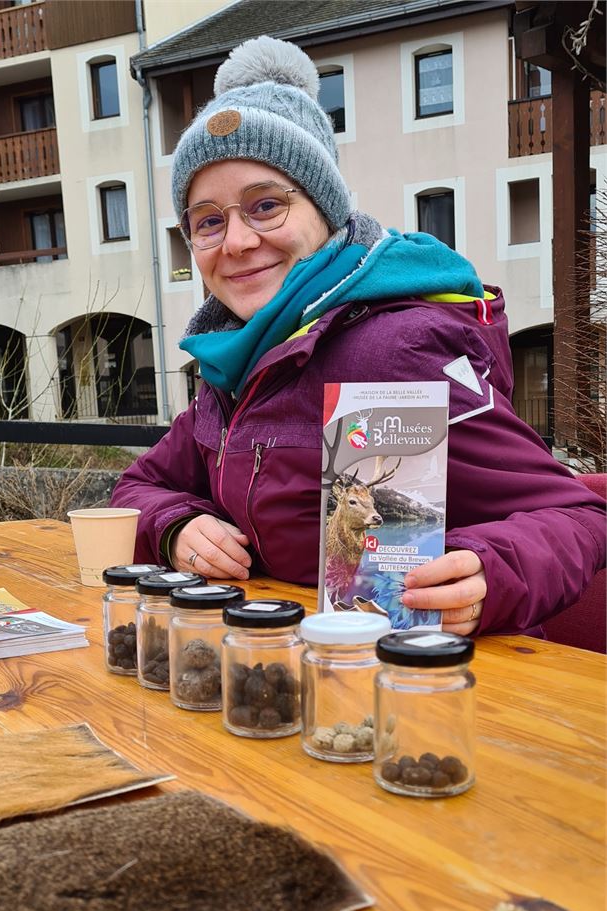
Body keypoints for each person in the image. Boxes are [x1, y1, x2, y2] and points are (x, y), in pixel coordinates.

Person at [111, 35, 606, 637]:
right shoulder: (236, 361)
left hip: (420, 681)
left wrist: (492, 574)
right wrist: (175, 525)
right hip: (280, 666)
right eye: (208, 221)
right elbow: (138, 486)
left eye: (266, 206)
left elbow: (577, 513)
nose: (236, 242)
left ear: (326, 213)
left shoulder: (396, 346)